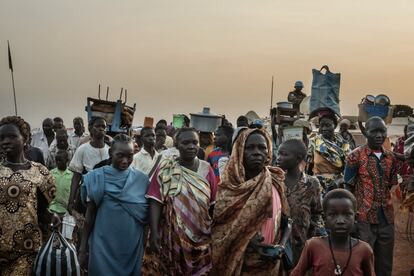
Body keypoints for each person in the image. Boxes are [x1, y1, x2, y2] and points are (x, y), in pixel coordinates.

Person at [212, 128, 291, 275]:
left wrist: (281, 245)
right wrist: (248, 239)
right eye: (250, 148)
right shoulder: (230, 187)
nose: (256, 152)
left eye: (262, 147)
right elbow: (220, 230)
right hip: (240, 261)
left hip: (271, 260)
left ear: (268, 151)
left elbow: (287, 220)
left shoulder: (275, 181)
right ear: (240, 151)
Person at [143, 127, 217, 275]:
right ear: (177, 145)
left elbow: (213, 205)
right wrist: (155, 233)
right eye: (186, 143)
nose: (191, 146)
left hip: (201, 235)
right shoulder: (166, 169)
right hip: (172, 235)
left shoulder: (206, 169)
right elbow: (155, 201)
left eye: (195, 142)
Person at [78, 134, 149, 275]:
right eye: (120, 155)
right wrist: (83, 247)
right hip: (103, 246)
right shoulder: (96, 177)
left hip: (132, 247)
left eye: (130, 156)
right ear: (110, 153)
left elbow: (145, 220)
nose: (125, 161)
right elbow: (89, 216)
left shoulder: (142, 180)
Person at [0, 116, 59, 275]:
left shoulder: (40, 172)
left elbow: (41, 210)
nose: (5, 141)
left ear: (25, 139)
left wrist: (52, 217)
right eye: (2, 138)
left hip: (27, 248)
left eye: (12, 136)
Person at [344, 116, 397, 276]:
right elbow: (348, 187)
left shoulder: (391, 158)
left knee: (385, 263)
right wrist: (351, 218)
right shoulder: (355, 156)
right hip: (364, 218)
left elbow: (389, 184)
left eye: (382, 131)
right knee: (364, 262)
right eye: (374, 131)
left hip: (386, 218)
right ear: (366, 133)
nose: (379, 135)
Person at [291, 189, 375, 276]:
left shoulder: (364, 250)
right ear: (324, 218)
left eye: (347, 214)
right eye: (333, 214)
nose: (340, 221)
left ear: (355, 218)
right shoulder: (313, 246)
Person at [277, 139, 324, 265]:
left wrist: (313, 238)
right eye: (279, 154)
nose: (279, 158)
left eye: (284, 154)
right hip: (277, 242)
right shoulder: (275, 182)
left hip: (302, 242)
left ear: (298, 158)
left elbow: (317, 212)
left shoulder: (311, 183)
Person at [68, 116, 110, 213]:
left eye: (103, 126)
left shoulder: (109, 150)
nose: (101, 128)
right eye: (98, 126)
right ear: (90, 128)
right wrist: (71, 201)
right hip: (87, 196)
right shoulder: (83, 149)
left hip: (105, 197)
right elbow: (76, 177)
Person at [307, 109, 350, 195]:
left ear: (335, 125)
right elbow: (308, 168)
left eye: (327, 125)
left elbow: (347, 168)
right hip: (318, 186)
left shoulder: (344, 144)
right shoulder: (314, 142)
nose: (323, 129)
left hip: (337, 186)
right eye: (321, 125)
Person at [48, 150, 73, 214]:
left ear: (67, 160)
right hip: (52, 208)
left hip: (66, 209)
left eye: (60, 160)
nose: (58, 162)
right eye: (57, 160)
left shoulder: (72, 175)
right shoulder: (51, 174)